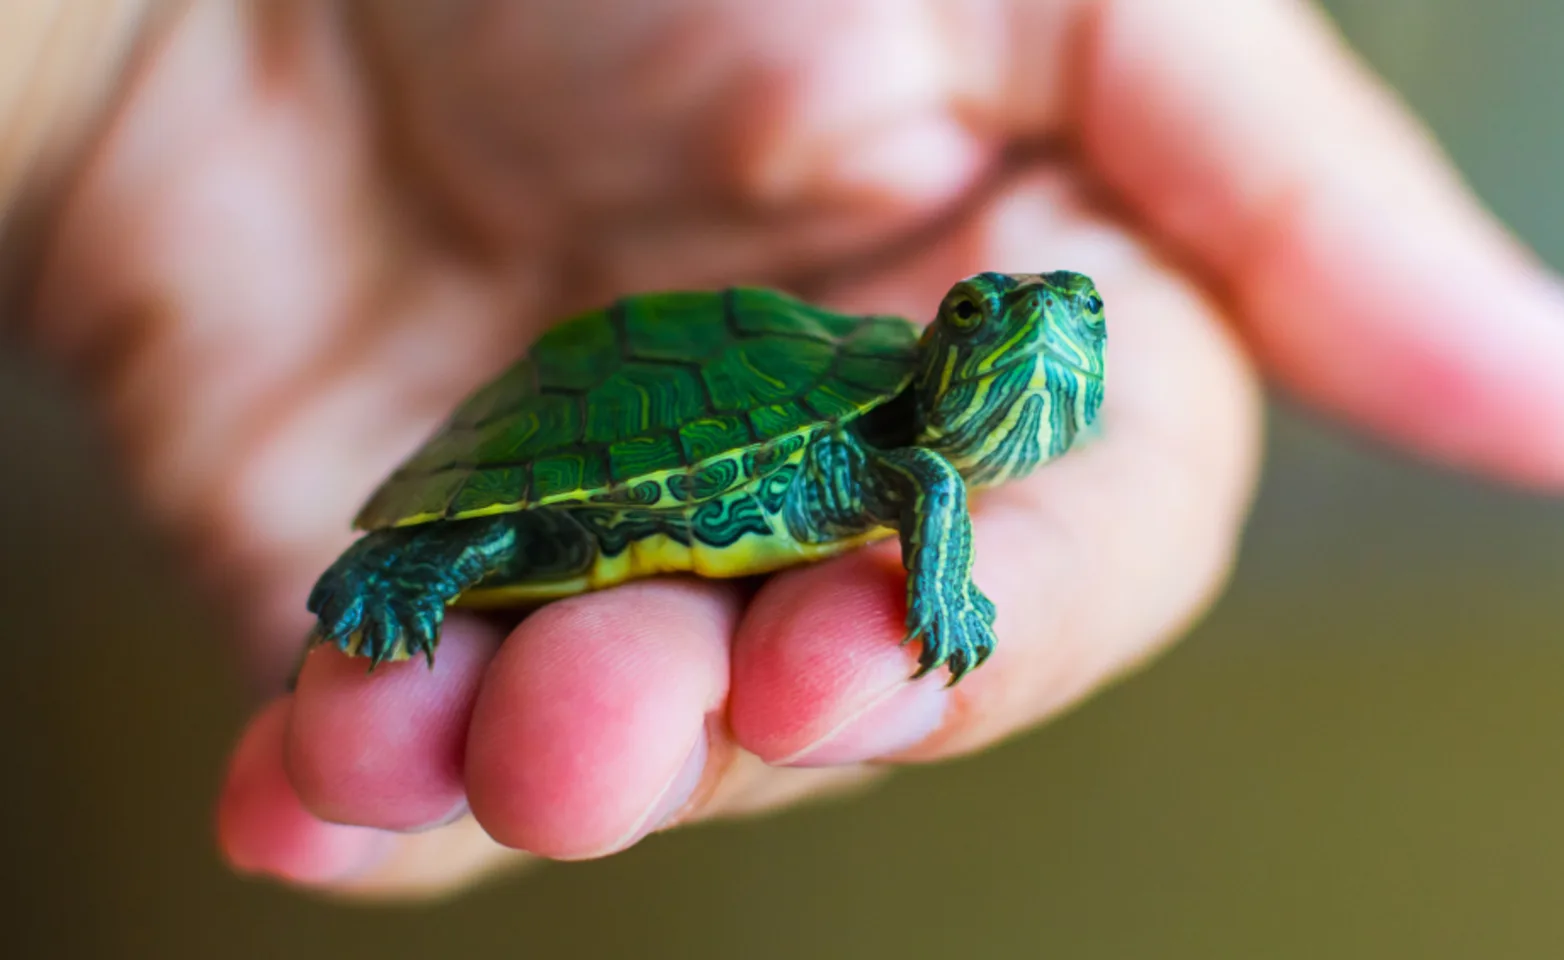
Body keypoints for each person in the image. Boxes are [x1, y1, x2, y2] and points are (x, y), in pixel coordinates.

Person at [7, 0, 1564, 897]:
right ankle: (405, 560)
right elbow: (927, 485)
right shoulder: (913, 466)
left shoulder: (920, 458)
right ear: (948, 343)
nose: (1034, 328)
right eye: (997, 314)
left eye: (1061, 321)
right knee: (521, 535)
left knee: (567, 674)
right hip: (620, 431)